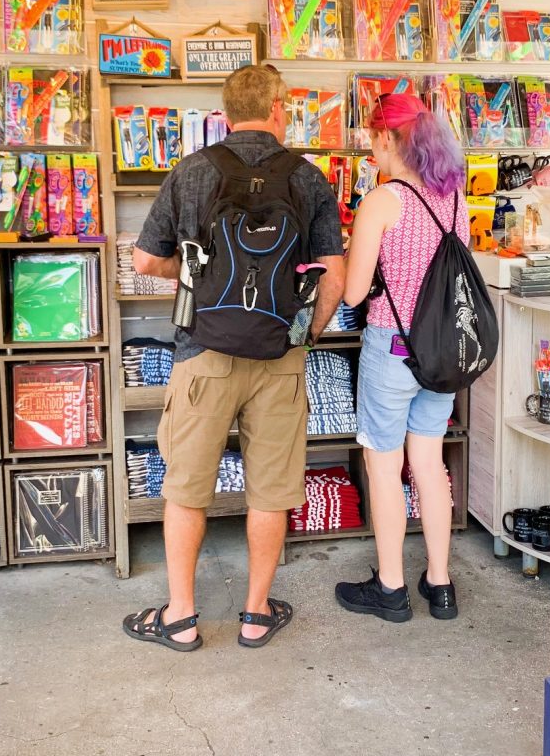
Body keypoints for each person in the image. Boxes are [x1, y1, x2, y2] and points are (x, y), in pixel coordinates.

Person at [123, 65, 346, 651]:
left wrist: (190, 273)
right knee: (270, 490)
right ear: (280, 108)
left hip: (204, 352)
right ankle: (254, 615)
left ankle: (181, 617)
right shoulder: (309, 178)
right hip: (280, 356)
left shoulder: (193, 170)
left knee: (186, 488)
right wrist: (304, 337)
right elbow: (334, 276)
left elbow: (145, 262)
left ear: (223, 113)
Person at [335, 93, 468, 623]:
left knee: (385, 468)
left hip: (392, 350)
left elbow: (353, 293)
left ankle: (390, 588)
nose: (370, 150)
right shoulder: (452, 196)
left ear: (389, 139)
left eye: (371, 139)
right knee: (430, 466)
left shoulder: (381, 202)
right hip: (440, 354)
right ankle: (440, 584)